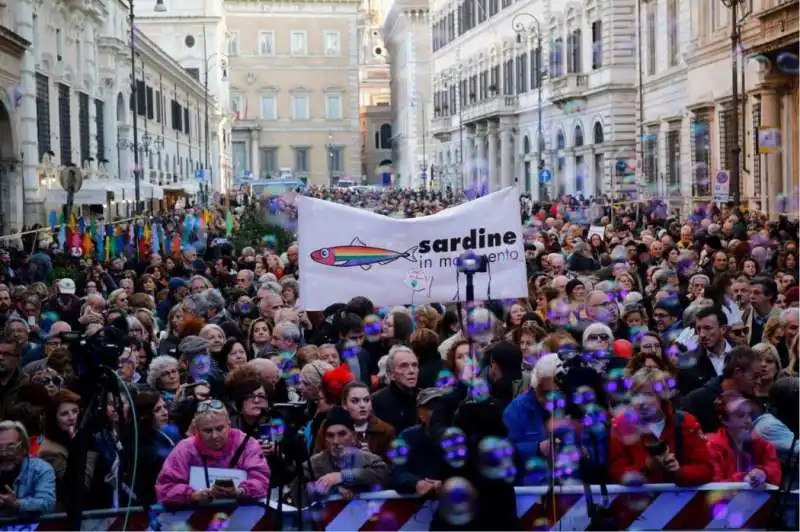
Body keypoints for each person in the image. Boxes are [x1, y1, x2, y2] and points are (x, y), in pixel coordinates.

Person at [609, 368, 713, 485]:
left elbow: (706, 470)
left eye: (648, 394)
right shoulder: (619, 425)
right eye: (636, 395)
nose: (641, 402)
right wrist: (647, 466)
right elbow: (616, 472)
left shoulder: (686, 422)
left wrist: (679, 471)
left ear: (662, 396)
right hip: (643, 500)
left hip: (680, 501)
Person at [155, 400, 270, 504]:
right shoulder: (185, 448)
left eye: (220, 428)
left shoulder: (247, 444)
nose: (215, 436)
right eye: (208, 431)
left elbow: (262, 481)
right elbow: (165, 488)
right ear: (197, 429)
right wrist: (192, 495)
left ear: (229, 424)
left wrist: (240, 491)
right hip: (195, 520)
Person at [305, 407, 390, 499]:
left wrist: (343, 476)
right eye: (330, 435)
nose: (336, 441)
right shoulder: (314, 463)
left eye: (342, 434)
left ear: (353, 436)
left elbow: (384, 475)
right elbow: (298, 488)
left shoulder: (369, 460)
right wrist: (333, 489)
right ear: (325, 439)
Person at [706, 391, 782, 487]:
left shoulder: (762, 445)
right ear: (723, 420)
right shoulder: (712, 446)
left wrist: (763, 472)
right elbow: (714, 485)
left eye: (749, 414)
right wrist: (743, 478)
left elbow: (775, 471)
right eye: (740, 415)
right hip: (725, 501)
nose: (748, 421)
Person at [682, 346, 761, 433]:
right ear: (738, 372)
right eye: (755, 376)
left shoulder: (755, 403)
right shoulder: (696, 401)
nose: (759, 382)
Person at [391, 387, 448, 495]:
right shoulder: (407, 436)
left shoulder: (459, 436)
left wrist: (445, 484)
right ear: (420, 413)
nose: (437, 413)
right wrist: (416, 483)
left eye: (441, 407)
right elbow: (397, 471)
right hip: (415, 501)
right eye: (431, 408)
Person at [0, 421, 55, 518]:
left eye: (11, 447)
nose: (4, 454)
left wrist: (18, 504)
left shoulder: (40, 469)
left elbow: (47, 503)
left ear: (24, 448)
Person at [371, 345, 419, 433]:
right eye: (404, 366)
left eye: (414, 365)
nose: (412, 371)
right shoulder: (377, 401)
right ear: (391, 374)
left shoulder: (424, 398)